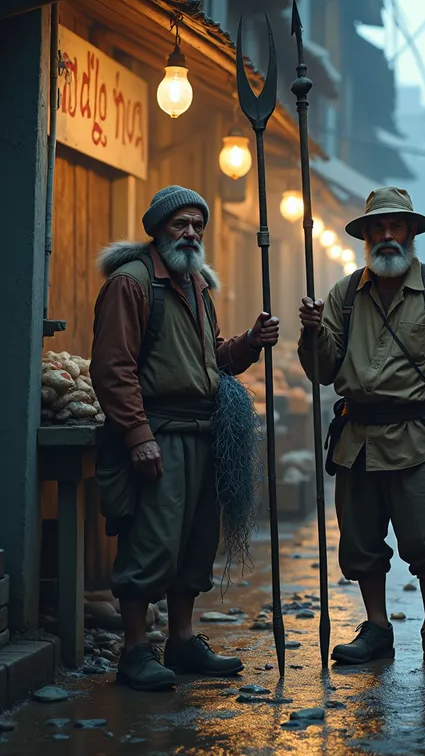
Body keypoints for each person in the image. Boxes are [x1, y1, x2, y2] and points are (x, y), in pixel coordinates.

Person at [91, 185, 279, 691]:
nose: (191, 233)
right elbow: (113, 368)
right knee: (151, 541)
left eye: (198, 224)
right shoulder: (131, 285)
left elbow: (208, 359)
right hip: (159, 432)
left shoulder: (197, 285)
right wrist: (137, 434)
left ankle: (182, 640)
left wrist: (248, 345)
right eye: (181, 223)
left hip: (203, 432)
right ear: (158, 229)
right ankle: (133, 650)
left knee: (196, 544)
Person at [297, 186, 425, 673]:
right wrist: (312, 332)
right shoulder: (343, 293)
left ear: (410, 233)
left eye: (394, 226)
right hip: (357, 438)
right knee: (360, 543)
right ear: (365, 236)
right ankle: (377, 627)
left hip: (419, 437)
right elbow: (323, 369)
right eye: (377, 228)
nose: (385, 235)